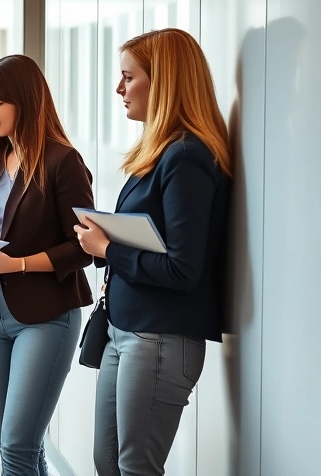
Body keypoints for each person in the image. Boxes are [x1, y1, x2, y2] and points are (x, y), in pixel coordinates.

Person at [75, 28, 231, 476]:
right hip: (127, 330)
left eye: (129, 77)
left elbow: (183, 268)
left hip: (160, 337)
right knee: (108, 463)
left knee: (135, 467)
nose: (119, 88)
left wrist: (106, 246)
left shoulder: (186, 156)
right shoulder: (159, 151)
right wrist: (106, 242)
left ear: (162, 82)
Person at [0, 54, 94, 476]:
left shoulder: (62, 161)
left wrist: (18, 266)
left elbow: (83, 247)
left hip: (45, 316)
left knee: (16, 445)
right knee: (21, 445)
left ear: (26, 102)